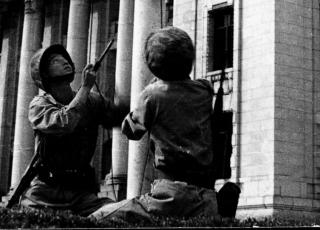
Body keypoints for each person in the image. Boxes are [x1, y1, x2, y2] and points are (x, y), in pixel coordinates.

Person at [91, 26, 239, 221]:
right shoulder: (204, 90)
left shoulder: (152, 95)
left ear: (154, 66)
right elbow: (182, 91)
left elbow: (131, 131)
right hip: (206, 197)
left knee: (98, 218)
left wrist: (150, 91)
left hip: (170, 195)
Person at [18, 43, 127, 215]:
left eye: (65, 59)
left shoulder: (92, 101)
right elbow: (64, 123)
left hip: (80, 195)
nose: (64, 62)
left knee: (121, 214)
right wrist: (85, 87)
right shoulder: (39, 105)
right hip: (44, 195)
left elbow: (121, 118)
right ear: (44, 74)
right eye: (55, 61)